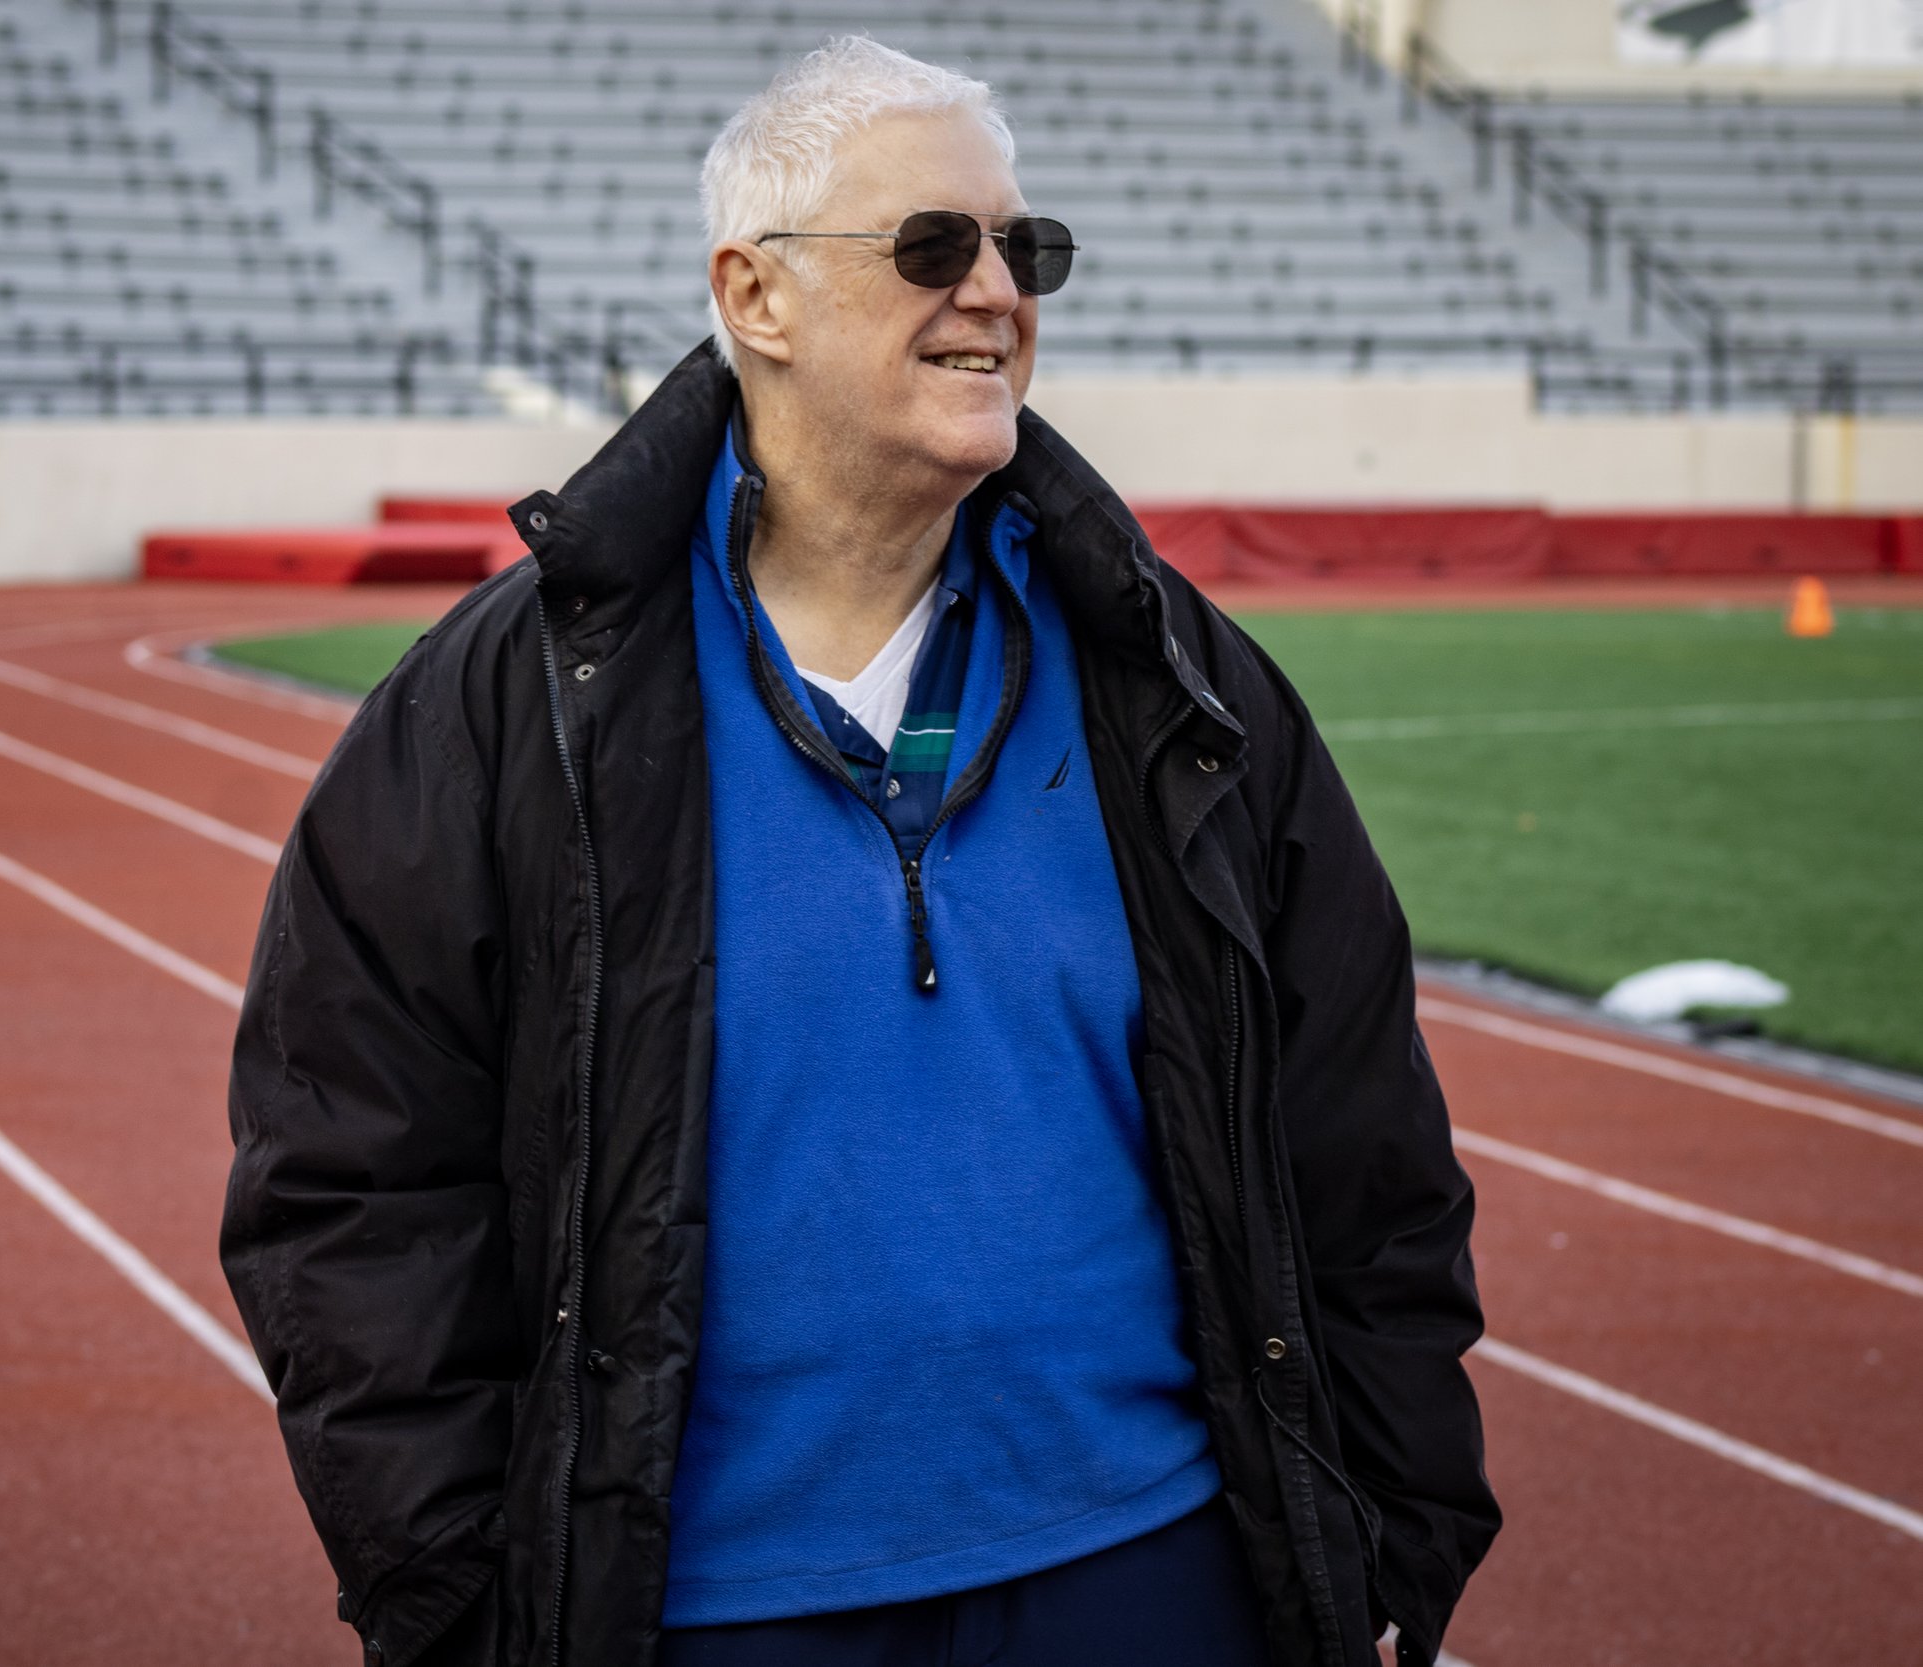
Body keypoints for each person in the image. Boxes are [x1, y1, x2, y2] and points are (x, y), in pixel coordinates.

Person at [222, 36, 1498, 1667]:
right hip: (706, 1610)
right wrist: (455, 1596)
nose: (996, 294)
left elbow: (1360, 1127)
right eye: (930, 247)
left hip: (1162, 1570)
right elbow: (349, 1177)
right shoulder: (505, 706)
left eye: (1023, 249)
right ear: (755, 297)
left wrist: (1395, 1523)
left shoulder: (1172, 673)